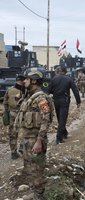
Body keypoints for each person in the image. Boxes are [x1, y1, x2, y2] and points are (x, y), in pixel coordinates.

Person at [14, 68, 54, 199]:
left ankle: (39, 195)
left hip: (35, 140)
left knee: (37, 170)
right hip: (26, 139)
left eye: (26, 79)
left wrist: (39, 141)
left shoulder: (41, 98)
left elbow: (46, 119)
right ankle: (35, 191)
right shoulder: (28, 96)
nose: (24, 81)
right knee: (29, 168)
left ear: (34, 81)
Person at [48, 66, 81, 144]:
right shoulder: (68, 79)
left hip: (56, 100)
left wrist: (55, 91)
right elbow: (75, 90)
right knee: (63, 119)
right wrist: (78, 101)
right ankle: (59, 138)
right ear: (66, 72)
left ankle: (64, 133)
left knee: (60, 118)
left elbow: (49, 90)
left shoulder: (54, 79)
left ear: (59, 71)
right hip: (64, 100)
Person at [3, 75, 25, 159]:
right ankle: (22, 148)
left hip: (12, 113)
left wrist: (6, 112)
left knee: (13, 133)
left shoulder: (9, 90)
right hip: (23, 114)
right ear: (23, 81)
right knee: (26, 131)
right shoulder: (25, 91)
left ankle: (13, 152)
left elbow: (5, 102)